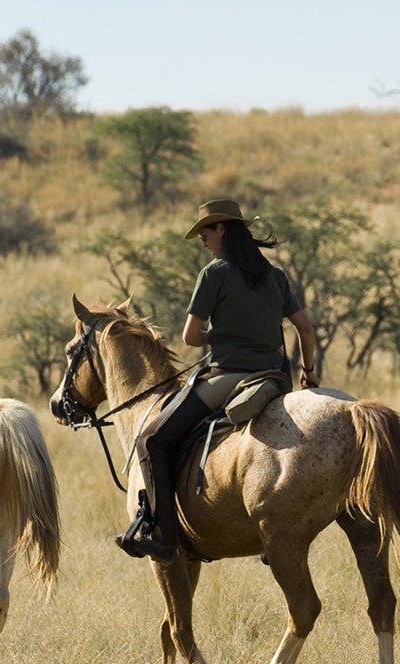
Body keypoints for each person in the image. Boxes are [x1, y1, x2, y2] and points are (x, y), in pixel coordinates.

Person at [120, 198, 320, 562]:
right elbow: (304, 328)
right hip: (276, 378)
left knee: (153, 440)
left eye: (205, 232)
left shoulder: (214, 273)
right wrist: (308, 371)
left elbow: (190, 337)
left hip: (230, 378)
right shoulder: (274, 275)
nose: (202, 241)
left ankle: (163, 536)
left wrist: (224, 336)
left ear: (222, 229)